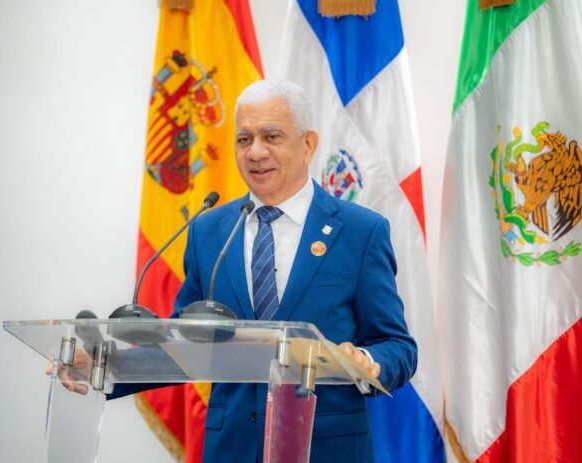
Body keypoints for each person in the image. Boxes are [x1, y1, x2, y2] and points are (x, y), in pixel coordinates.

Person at [53, 80, 417, 462]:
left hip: (326, 448)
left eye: (271, 136)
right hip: (231, 450)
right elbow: (186, 347)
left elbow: (398, 346)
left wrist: (365, 359)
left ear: (308, 145)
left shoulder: (360, 231)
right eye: (244, 139)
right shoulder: (208, 231)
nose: (256, 152)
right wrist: (102, 365)